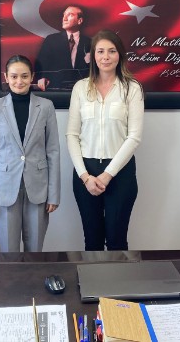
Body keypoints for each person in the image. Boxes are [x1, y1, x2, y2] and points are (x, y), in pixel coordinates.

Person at [66, 30, 144, 251]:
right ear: (93, 55)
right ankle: (95, 278)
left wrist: (107, 175)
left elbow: (134, 137)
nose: (106, 57)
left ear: (120, 55)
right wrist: (85, 176)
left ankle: (118, 277)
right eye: (100, 51)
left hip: (120, 173)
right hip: (86, 173)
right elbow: (72, 134)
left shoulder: (132, 88)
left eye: (112, 51)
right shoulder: (80, 88)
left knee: (117, 240)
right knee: (92, 241)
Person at [0, 55, 61, 252]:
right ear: (6, 77)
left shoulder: (46, 107)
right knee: (8, 251)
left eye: (24, 76)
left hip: (38, 187)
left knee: (35, 250)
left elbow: (53, 152)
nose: (19, 81)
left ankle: (33, 274)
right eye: (14, 76)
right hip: (4, 189)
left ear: (32, 76)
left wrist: (54, 195)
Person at [35, 5, 91, 91]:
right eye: (64, 15)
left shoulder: (90, 43)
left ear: (79, 20)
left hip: (82, 91)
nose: (64, 19)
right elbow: (41, 64)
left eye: (70, 15)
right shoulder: (51, 40)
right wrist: (42, 78)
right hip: (56, 90)